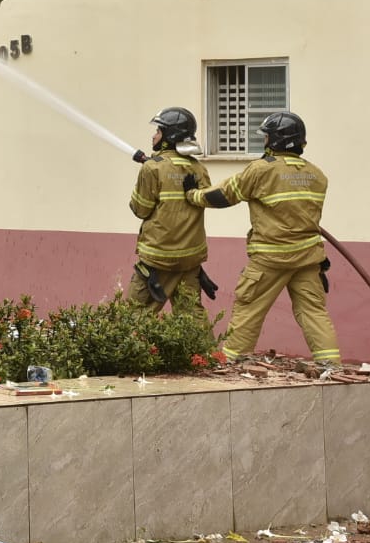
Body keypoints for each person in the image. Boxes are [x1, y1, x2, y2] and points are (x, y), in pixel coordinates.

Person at [182, 110, 339, 366]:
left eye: (266, 137)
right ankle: (332, 366)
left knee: (248, 310)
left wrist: (193, 195)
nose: (263, 141)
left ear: (275, 140)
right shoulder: (317, 175)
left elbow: (224, 195)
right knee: (314, 313)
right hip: (309, 259)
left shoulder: (261, 170)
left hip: (270, 259)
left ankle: (230, 363)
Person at [127, 107, 213, 314]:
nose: (154, 135)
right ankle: (205, 348)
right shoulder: (198, 168)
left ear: (169, 136)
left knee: (134, 315)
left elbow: (141, 209)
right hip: (190, 258)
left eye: (158, 130)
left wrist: (149, 174)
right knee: (191, 317)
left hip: (158, 257)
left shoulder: (152, 168)